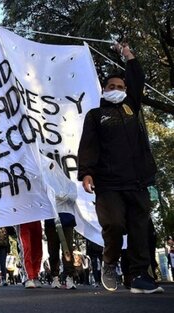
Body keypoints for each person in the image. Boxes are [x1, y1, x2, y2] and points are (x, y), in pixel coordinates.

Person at [77, 42, 163, 294]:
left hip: (137, 182)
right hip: (108, 185)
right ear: (103, 90)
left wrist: (129, 55)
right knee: (114, 225)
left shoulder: (131, 108)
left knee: (139, 229)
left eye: (121, 87)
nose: (116, 90)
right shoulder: (95, 115)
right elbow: (88, 146)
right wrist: (87, 172)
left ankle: (137, 276)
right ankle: (109, 262)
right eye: (112, 87)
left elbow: (138, 79)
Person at [44, 213, 77, 289]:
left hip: (67, 219)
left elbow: (74, 200)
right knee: (53, 251)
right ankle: (55, 277)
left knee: (67, 249)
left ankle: (69, 276)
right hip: (51, 220)